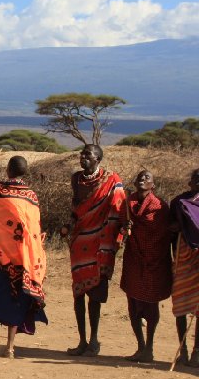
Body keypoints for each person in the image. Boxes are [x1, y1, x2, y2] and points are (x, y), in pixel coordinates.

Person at [0, 156, 47, 358]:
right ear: (25, 172)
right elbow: (34, 228)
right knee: (17, 299)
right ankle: (10, 347)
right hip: (22, 256)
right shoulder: (31, 196)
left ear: (8, 170)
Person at [61, 144, 125, 357]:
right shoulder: (76, 179)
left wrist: (121, 232)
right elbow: (75, 207)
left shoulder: (112, 181)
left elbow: (120, 209)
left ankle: (94, 340)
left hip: (100, 243)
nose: (83, 157)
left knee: (95, 294)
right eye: (81, 154)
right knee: (78, 292)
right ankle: (81, 340)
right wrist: (68, 226)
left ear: (98, 159)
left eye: (88, 155)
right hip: (79, 242)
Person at [118, 170, 172, 363]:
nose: (143, 180)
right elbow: (122, 228)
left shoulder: (160, 207)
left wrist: (137, 229)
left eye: (147, 178)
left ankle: (149, 347)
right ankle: (140, 346)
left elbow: (163, 236)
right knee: (133, 304)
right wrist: (126, 226)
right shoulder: (128, 204)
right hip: (134, 260)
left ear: (153, 186)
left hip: (153, 263)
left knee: (151, 304)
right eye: (140, 177)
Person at [170, 168, 199, 367]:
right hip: (183, 256)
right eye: (196, 178)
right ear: (190, 182)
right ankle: (183, 350)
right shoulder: (179, 202)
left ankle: (197, 351)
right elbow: (170, 229)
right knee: (180, 303)